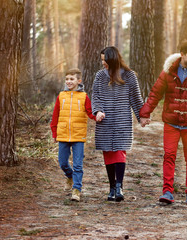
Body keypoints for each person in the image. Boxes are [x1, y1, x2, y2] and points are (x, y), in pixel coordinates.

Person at [139, 40, 187, 205]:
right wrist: (145, 113)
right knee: (169, 156)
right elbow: (155, 93)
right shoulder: (168, 71)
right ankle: (167, 192)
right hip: (171, 122)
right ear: (182, 54)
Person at [92, 46, 144, 202]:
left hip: (122, 120)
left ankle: (119, 187)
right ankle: (112, 187)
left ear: (112, 59)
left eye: (105, 60)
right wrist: (98, 111)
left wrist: (142, 116)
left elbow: (135, 97)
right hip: (105, 120)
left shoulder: (129, 76)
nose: (103, 63)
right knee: (108, 152)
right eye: (101, 60)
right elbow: (96, 96)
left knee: (120, 151)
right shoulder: (100, 76)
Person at [50, 68, 96, 202]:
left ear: (79, 81)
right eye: (67, 79)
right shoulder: (61, 96)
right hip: (63, 134)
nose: (69, 81)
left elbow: (90, 112)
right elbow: (55, 116)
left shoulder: (84, 97)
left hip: (78, 135)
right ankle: (70, 176)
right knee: (63, 162)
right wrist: (54, 132)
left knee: (78, 165)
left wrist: (98, 116)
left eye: (72, 79)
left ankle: (76, 189)